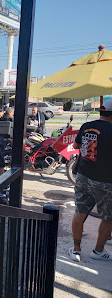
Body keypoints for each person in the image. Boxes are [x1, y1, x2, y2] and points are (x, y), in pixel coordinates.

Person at [68, 100, 112, 262]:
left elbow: (76, 145)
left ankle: (76, 249)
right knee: (108, 217)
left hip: (83, 176)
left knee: (80, 211)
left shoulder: (87, 125)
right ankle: (98, 252)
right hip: (106, 181)